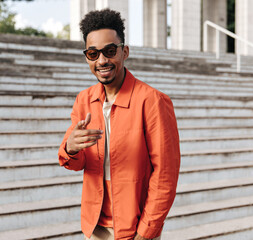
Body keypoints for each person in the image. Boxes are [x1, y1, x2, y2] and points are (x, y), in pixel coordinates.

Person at [58, 8, 180, 240]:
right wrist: (71, 148)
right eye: (93, 53)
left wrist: (146, 233)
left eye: (110, 51)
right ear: (87, 57)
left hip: (137, 228)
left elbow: (165, 174)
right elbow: (76, 163)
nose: (102, 60)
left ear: (124, 51)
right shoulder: (84, 100)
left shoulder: (152, 101)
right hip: (95, 226)